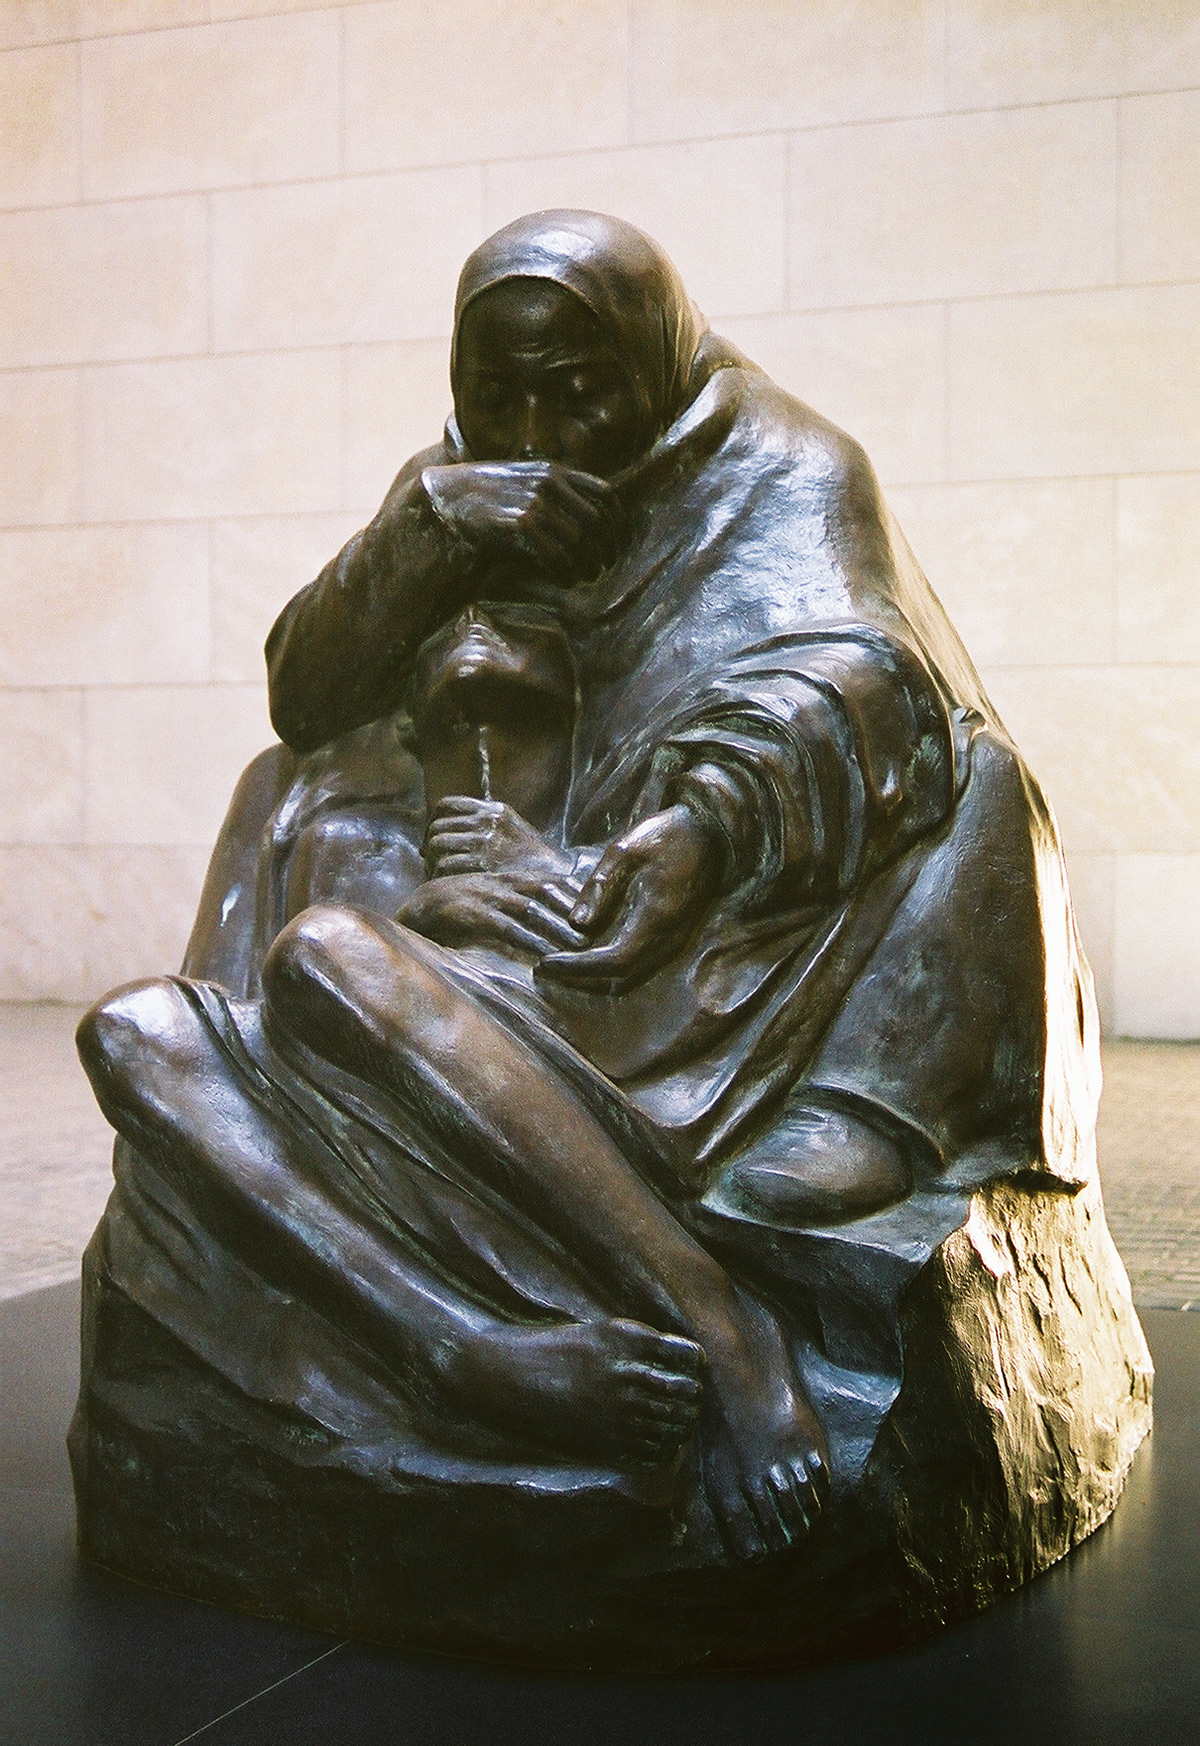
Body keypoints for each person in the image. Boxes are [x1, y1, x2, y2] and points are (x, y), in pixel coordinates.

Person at [76, 212, 1100, 1571]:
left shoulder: (778, 468)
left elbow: (865, 677)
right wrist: (429, 528)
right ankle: (470, 1350)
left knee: (327, 958)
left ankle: (722, 1313)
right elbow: (308, 689)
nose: (536, 425)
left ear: (657, 358)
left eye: (578, 386)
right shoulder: (458, 483)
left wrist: (689, 833)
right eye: (498, 392)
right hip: (473, 940)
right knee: (151, 1013)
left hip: (689, 943)